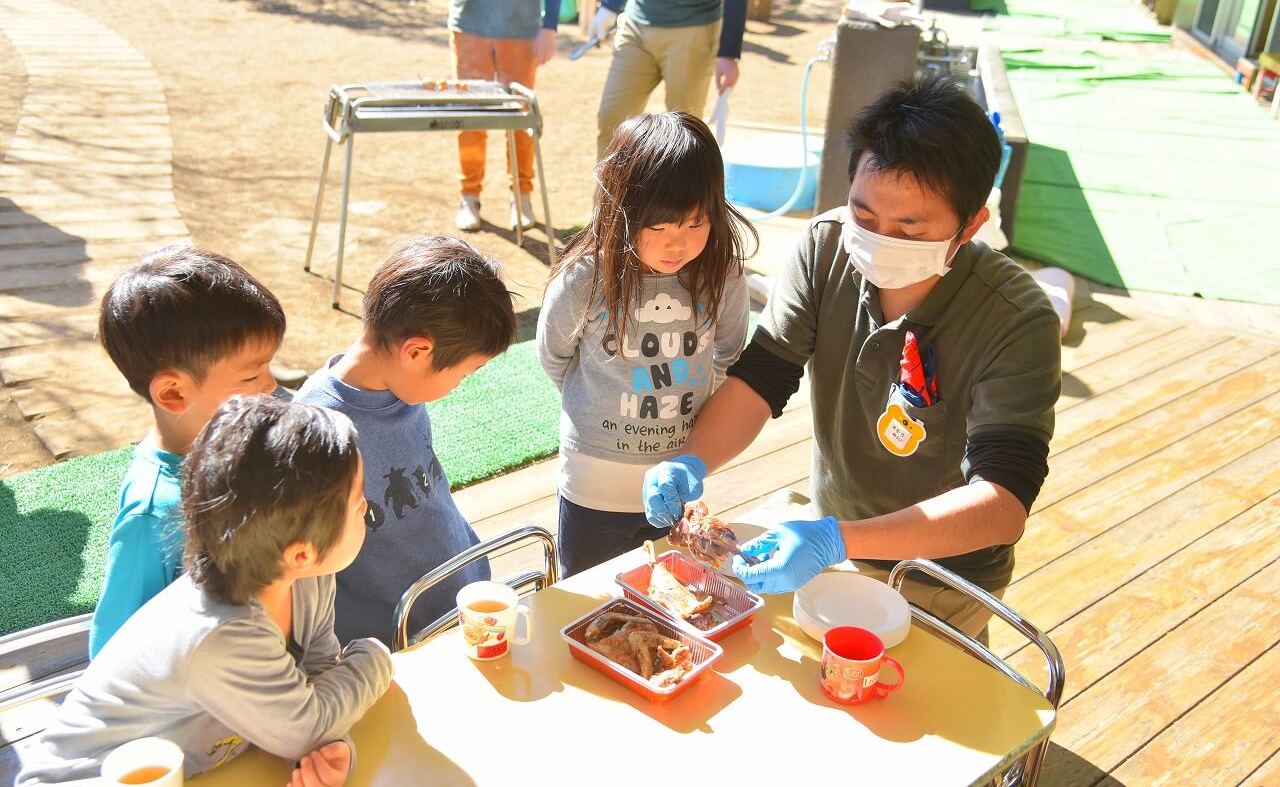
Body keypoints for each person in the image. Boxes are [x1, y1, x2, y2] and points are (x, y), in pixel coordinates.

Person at [642, 76, 1062, 639]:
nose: (877, 239)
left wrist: (838, 539)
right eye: (864, 217)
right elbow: (763, 378)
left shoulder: (1015, 318)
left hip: (940, 575)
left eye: (909, 229)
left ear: (971, 226)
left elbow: (1003, 503)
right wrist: (690, 461)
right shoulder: (824, 248)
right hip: (830, 536)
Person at [17, 398, 393, 786]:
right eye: (357, 503)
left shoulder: (307, 579)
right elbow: (309, 724)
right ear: (301, 552)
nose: (366, 507)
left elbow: (316, 685)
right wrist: (375, 657)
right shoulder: (221, 630)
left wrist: (328, 749)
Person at [537, 112, 756, 576]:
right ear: (622, 209)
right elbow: (554, 355)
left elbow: (729, 355)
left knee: (672, 601)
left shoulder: (723, 274)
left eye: (696, 224)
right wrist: (592, 403)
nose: (677, 244)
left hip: (678, 477)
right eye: (658, 227)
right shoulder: (586, 278)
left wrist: (696, 435)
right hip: (593, 483)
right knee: (590, 601)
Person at [295, 235, 516, 645]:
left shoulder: (401, 386)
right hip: (394, 639)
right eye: (463, 374)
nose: (460, 385)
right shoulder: (316, 429)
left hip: (459, 595)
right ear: (416, 352)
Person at [88, 245, 286, 658]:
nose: (270, 386)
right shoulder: (156, 512)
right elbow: (113, 650)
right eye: (252, 374)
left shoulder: (238, 437)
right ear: (174, 393)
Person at [432, 0, 563, 232]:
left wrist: (550, 25)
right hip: (470, 24)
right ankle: (469, 197)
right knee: (470, 114)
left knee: (519, 116)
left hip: (521, 27)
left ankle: (521, 196)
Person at [586, 0, 759, 158]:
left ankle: (682, 195)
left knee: (685, 139)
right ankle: (611, 194)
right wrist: (609, 6)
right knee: (613, 122)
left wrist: (728, 53)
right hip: (636, 24)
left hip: (692, 31)